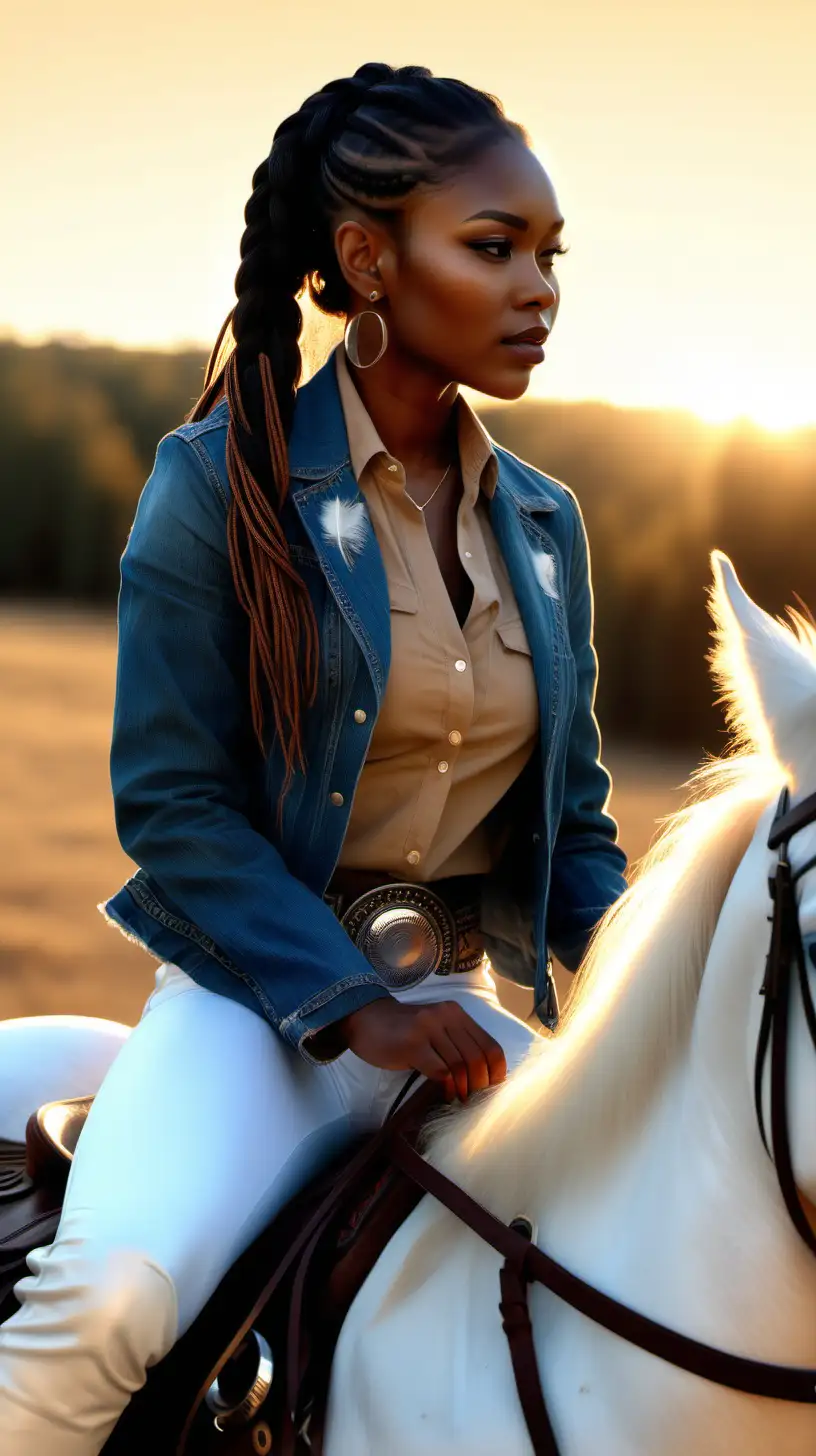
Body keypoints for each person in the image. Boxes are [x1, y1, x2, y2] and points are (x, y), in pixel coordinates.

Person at [0, 61, 628, 1454]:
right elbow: (174, 811)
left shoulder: (547, 524)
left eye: (549, 255)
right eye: (493, 245)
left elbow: (574, 832)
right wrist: (353, 1004)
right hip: (251, 1018)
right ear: (367, 260)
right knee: (105, 1302)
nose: (539, 287)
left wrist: (668, 988)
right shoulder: (216, 484)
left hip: (466, 1035)